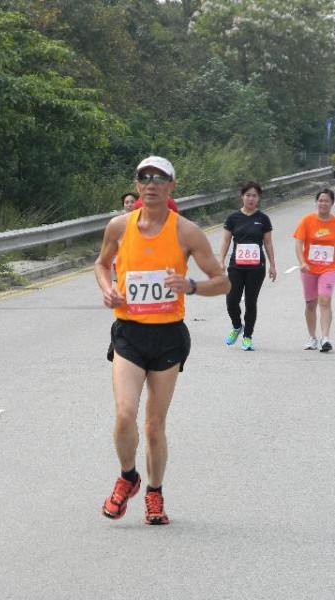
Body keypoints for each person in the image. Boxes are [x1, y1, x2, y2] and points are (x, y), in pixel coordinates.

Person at [94, 156, 230, 525]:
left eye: (159, 178)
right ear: (136, 185)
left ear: (171, 185)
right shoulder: (119, 226)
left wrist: (192, 285)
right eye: (144, 177)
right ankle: (128, 477)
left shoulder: (186, 231)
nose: (151, 183)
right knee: (124, 414)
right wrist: (108, 289)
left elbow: (223, 282)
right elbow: (102, 264)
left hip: (168, 335)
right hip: (129, 332)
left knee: (154, 425)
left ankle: (154, 492)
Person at [219, 180, 277, 351]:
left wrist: (273, 265)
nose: (251, 199)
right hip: (236, 266)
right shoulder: (233, 218)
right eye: (248, 195)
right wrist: (220, 261)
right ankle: (237, 326)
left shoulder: (263, 219)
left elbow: (268, 243)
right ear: (242, 196)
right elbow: (225, 241)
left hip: (256, 267)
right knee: (231, 300)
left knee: (251, 302)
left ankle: (247, 336)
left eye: (254, 196)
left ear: (258, 198)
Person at [293, 188, 335, 352]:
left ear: (332, 203)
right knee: (310, 303)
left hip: (329, 268)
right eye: (320, 200)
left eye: (326, 201)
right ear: (316, 202)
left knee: (325, 300)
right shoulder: (307, 220)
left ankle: (325, 338)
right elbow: (298, 243)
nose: (323, 203)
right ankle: (313, 337)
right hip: (309, 268)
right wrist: (302, 262)